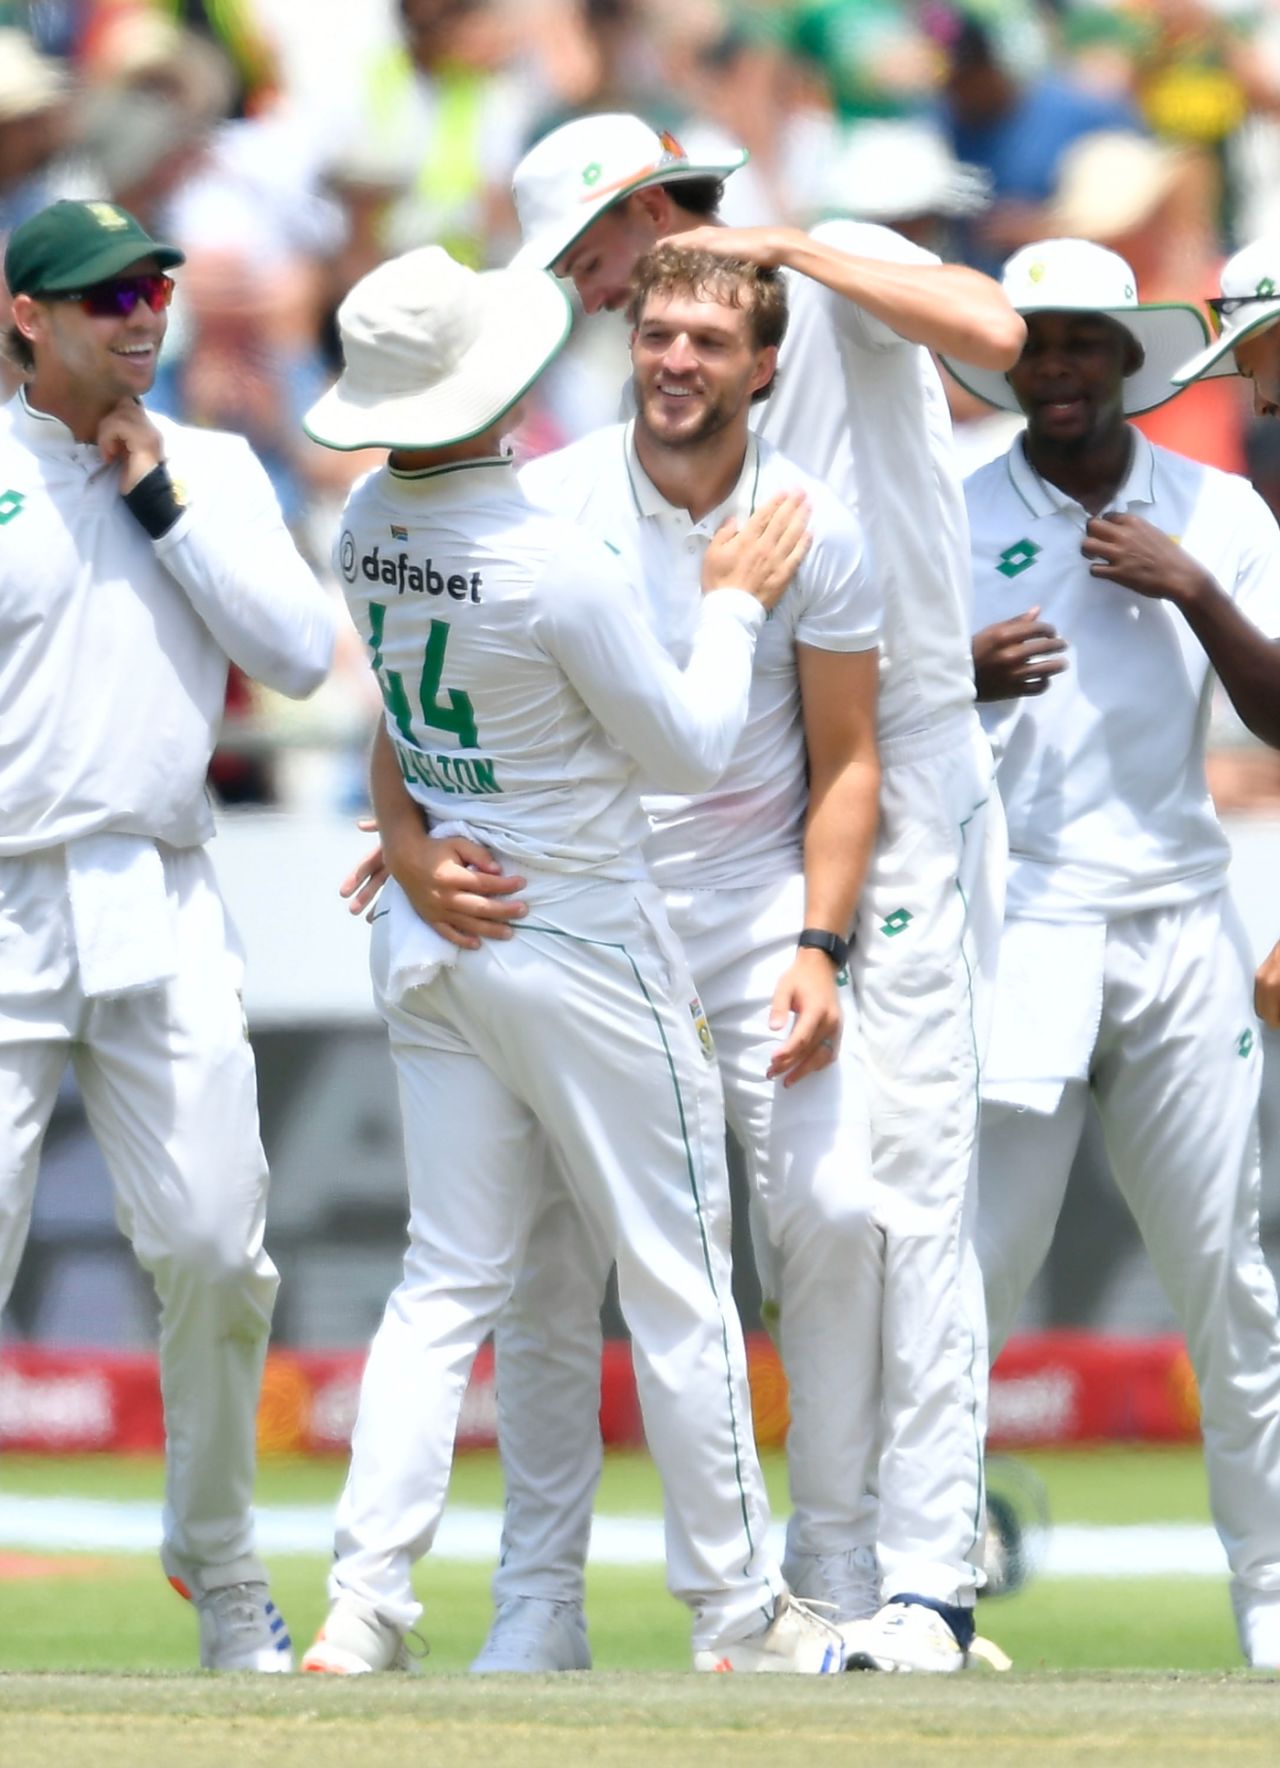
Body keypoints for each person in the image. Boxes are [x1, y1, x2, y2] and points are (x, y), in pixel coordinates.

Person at [362, 110, 1024, 1675]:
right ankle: (542, 1603)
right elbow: (455, 678)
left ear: (652, 216)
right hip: (614, 868)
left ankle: (887, 1580)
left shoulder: (828, 272)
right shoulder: (568, 483)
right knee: (546, 1258)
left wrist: (779, 250)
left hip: (873, 798)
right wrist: (416, 824)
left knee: (876, 1203)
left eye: (594, 257)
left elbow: (996, 337)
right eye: (630, 308)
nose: (590, 297)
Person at [298, 241, 846, 1676]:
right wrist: (731, 598)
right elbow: (692, 748)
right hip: (582, 933)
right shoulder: (553, 560)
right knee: (679, 1275)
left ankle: (364, 1607)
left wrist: (409, 835)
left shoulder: (364, 518)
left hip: (436, 933)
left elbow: (406, 725)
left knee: (444, 1284)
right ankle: (739, 1613)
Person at [0, 197, 337, 1668]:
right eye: (107, 297)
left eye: (153, 289)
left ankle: (219, 1557)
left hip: (158, 884)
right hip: (5, 894)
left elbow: (299, 654)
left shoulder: (211, 466)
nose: (142, 315)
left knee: (213, 1247)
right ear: (26, 317)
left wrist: (161, 503)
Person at [947, 236, 1280, 1670]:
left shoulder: (1219, 509)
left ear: (1131, 358)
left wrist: (1192, 586)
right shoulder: (955, 510)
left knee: (1228, 1282)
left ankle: (1271, 1597)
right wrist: (957, 675)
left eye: (1086, 341)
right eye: (1037, 345)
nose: (1061, 368)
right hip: (1021, 927)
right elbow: (866, 716)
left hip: (1182, 923)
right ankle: (927, 1592)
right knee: (970, 1276)